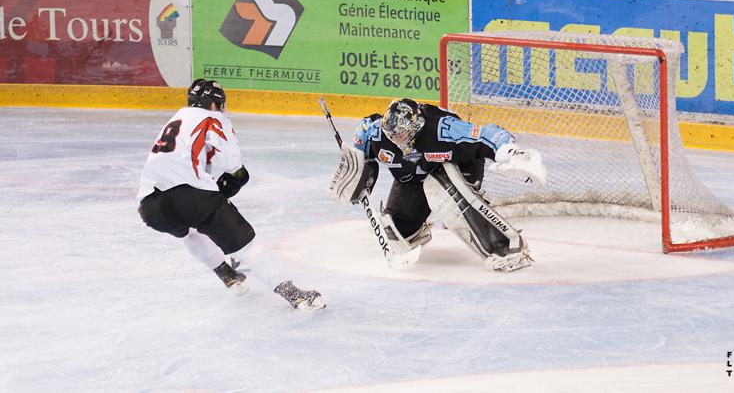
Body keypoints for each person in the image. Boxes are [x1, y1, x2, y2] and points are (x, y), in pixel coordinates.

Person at [137, 79, 325, 310]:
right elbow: (231, 162)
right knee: (250, 248)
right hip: (190, 197)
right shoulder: (212, 118)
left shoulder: (176, 119)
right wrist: (234, 179)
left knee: (189, 232)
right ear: (214, 104)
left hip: (150, 207)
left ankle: (227, 275)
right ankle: (294, 294)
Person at [327, 98, 546, 272]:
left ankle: (507, 248)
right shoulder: (375, 132)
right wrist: (355, 168)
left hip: (458, 169)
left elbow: (485, 134)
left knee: (443, 193)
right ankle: (419, 224)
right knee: (399, 235)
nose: (395, 139)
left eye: (401, 133)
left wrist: (511, 152)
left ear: (415, 126)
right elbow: (360, 140)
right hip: (412, 177)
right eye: (391, 134)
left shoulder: (443, 129)